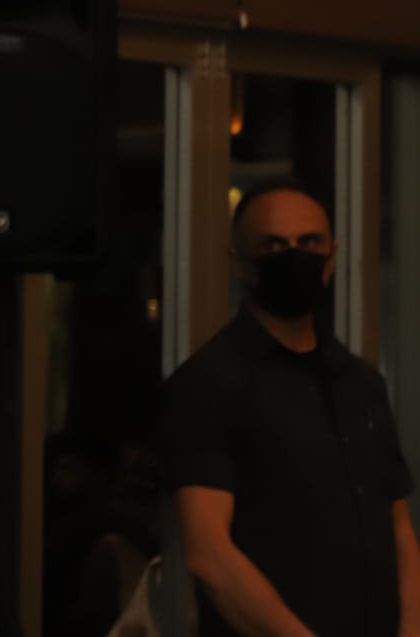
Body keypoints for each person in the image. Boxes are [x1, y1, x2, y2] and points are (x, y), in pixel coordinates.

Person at [160, 183, 420, 637]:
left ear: (331, 257)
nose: (294, 256)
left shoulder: (361, 383)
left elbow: (397, 527)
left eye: (309, 243)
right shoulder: (208, 382)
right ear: (239, 262)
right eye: (274, 246)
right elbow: (209, 554)